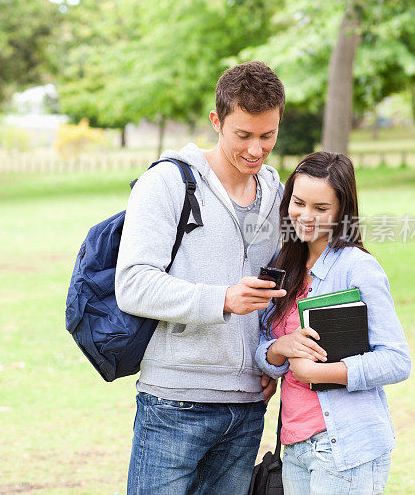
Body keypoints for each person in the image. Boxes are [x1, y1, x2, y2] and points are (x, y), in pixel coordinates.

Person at [116, 61, 288, 494]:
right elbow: (133, 282)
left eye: (267, 136)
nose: (255, 150)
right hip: (175, 401)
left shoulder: (276, 192)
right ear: (217, 121)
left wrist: (270, 358)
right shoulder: (169, 182)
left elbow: (281, 291)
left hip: (249, 405)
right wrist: (222, 299)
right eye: (243, 135)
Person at [255, 152, 411, 494]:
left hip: (345, 448)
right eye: (298, 202)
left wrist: (318, 373)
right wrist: (280, 349)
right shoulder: (285, 264)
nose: (305, 216)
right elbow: (264, 343)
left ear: (342, 211)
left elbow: (397, 360)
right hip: (295, 446)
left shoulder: (357, 269)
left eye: (320, 208)